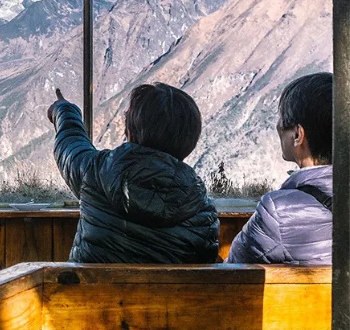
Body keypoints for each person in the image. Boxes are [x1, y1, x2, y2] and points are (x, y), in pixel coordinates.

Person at [47, 83, 219, 263]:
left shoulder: (96, 173)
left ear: (129, 131)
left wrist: (64, 109)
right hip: (169, 292)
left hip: (88, 291)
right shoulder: (201, 210)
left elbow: (71, 144)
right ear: (190, 143)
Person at [227, 73, 333, 265]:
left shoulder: (278, 212)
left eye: (282, 119)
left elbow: (232, 273)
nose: (277, 126)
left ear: (298, 135)